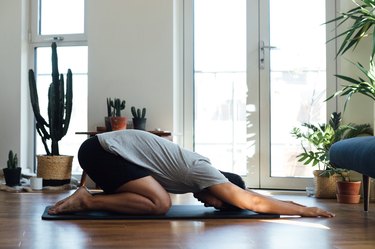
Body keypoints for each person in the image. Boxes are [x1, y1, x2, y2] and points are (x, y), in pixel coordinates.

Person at [48, 130, 334, 218]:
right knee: (160, 204)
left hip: (102, 151)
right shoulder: (202, 171)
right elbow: (253, 202)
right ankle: (87, 200)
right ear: (220, 186)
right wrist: (304, 210)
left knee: (152, 197)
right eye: (220, 201)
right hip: (100, 151)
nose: (211, 205)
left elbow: (249, 198)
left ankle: (91, 198)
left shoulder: (198, 173)